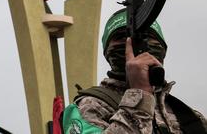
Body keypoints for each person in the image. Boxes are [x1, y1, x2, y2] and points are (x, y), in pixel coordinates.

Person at [62, 9, 207, 133]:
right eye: (121, 37)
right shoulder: (89, 107)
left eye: (147, 36)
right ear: (107, 52)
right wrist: (139, 96)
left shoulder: (189, 116)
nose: (136, 46)